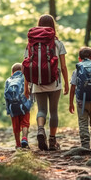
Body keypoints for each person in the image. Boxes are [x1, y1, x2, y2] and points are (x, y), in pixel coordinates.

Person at [23, 15, 69, 151]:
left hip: (37, 82)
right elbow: (64, 66)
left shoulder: (31, 44)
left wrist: (26, 86)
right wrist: (67, 83)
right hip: (54, 82)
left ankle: (41, 130)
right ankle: (52, 141)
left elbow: (26, 65)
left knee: (42, 109)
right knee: (53, 111)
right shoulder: (57, 43)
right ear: (52, 26)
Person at [4, 63, 32, 149]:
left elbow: (6, 96)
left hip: (13, 107)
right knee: (25, 123)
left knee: (15, 126)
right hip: (24, 106)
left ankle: (18, 144)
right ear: (23, 71)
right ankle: (24, 138)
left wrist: (8, 110)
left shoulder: (8, 80)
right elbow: (29, 91)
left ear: (12, 72)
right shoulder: (25, 78)